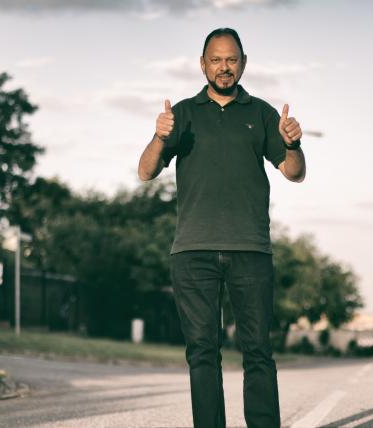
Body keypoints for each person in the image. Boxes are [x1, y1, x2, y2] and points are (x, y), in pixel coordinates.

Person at [137, 27, 306, 428]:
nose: (224, 67)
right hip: (193, 251)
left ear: (243, 63)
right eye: (216, 59)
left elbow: (293, 173)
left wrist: (294, 144)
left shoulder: (262, 113)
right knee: (202, 351)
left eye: (232, 59)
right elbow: (145, 171)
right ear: (203, 64)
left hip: (251, 249)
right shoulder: (183, 113)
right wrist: (160, 137)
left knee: (258, 351)